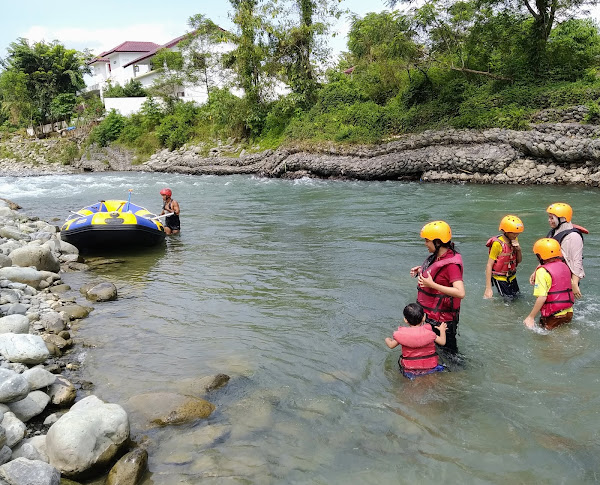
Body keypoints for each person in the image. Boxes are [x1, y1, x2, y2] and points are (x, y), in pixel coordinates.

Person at [409, 220, 465, 355]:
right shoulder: (437, 257)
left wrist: (431, 284)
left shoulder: (452, 265)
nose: (425, 244)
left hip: (442, 321)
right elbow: (438, 273)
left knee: (450, 357)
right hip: (431, 316)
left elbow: (460, 292)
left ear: (438, 242)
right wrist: (421, 270)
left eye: (427, 241)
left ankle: (457, 375)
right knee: (434, 352)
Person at [385, 303, 447, 379]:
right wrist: (442, 330)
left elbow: (391, 345)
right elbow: (442, 342)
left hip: (410, 371)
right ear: (424, 318)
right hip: (431, 368)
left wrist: (387, 339)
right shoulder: (429, 333)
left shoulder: (402, 335)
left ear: (405, 320)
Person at [524, 238, 575, 330]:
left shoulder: (542, 271)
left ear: (540, 256)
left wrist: (531, 317)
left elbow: (542, 297)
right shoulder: (564, 266)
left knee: (546, 342)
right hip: (569, 312)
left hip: (553, 315)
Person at [543, 203, 585, 299]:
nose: (549, 220)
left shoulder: (573, 237)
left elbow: (577, 261)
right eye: (549, 218)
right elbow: (546, 255)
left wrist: (574, 283)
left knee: (563, 309)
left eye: (552, 218)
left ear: (562, 219)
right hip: (553, 275)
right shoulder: (553, 232)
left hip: (566, 279)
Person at [484, 215, 524, 299]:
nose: (516, 235)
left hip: (511, 276)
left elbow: (519, 261)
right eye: (513, 233)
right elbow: (489, 265)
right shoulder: (497, 244)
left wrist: (519, 250)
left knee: (518, 298)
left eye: (518, 233)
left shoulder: (515, 240)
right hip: (500, 277)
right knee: (508, 301)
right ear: (506, 231)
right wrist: (488, 288)